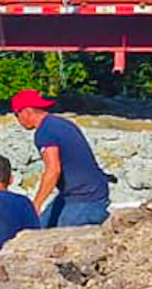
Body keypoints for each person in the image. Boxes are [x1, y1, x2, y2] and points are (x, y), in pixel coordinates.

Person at [10, 89, 110, 227]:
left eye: (17, 114)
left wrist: (36, 205)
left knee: (56, 240)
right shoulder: (60, 123)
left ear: (27, 111)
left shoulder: (44, 132)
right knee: (40, 228)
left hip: (83, 199)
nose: (18, 120)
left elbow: (53, 169)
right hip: (88, 193)